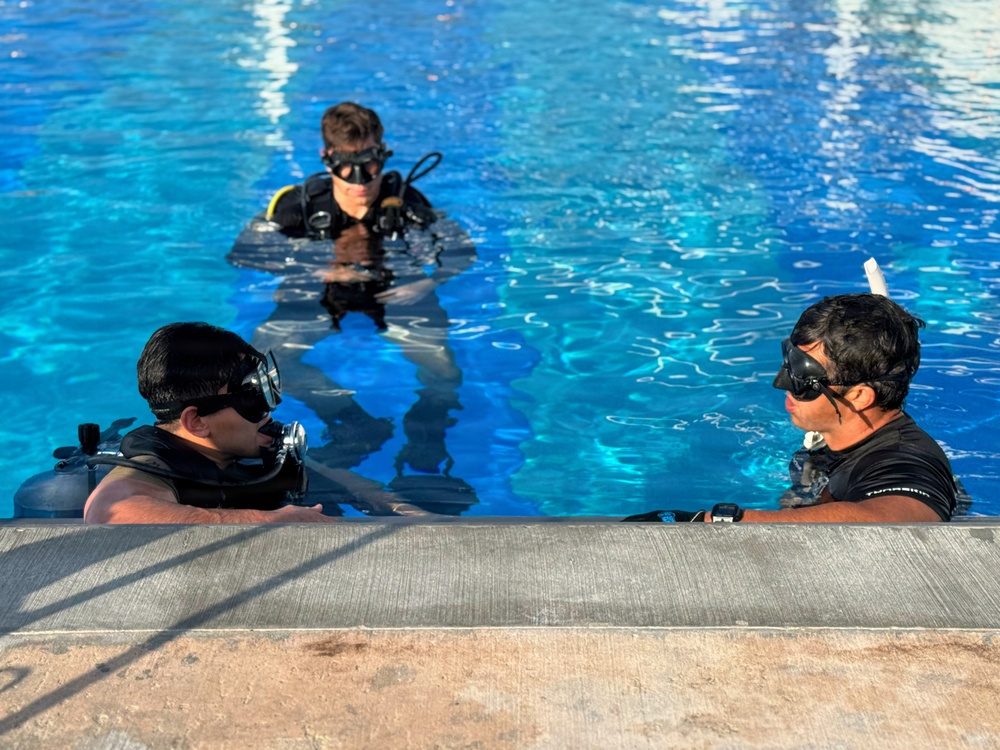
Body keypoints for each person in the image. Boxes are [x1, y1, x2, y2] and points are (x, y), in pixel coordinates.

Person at [226, 101, 478, 515]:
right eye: (347, 166)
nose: (360, 180)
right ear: (328, 159)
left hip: (396, 294)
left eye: (371, 163)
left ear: (383, 154)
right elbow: (244, 253)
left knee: (444, 373)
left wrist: (427, 281)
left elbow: (461, 250)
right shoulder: (299, 204)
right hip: (322, 293)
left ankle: (424, 444)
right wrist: (319, 268)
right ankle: (354, 422)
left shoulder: (407, 202)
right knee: (261, 370)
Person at [626, 294, 958, 523]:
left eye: (803, 377)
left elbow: (900, 521)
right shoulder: (844, 436)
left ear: (859, 396)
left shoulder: (906, 462)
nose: (781, 382)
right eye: (789, 363)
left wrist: (722, 521)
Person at [83, 322, 335, 524]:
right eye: (251, 399)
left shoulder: (242, 447)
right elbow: (107, 511)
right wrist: (267, 520)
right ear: (196, 421)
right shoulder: (155, 468)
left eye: (266, 391)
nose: (269, 411)